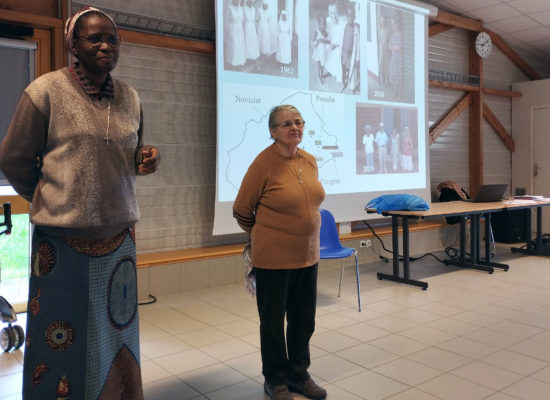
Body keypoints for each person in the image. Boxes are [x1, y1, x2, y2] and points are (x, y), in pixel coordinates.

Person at [0, 7, 160, 399]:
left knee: (116, 330)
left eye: (112, 39)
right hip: (62, 244)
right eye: (94, 38)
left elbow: (133, 152)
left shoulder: (131, 96)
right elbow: (13, 160)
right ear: (73, 44)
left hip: (119, 240)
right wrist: (51, 197)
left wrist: (146, 159)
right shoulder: (44, 92)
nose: (105, 45)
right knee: (61, 336)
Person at [233, 105, 327, 400]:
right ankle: (275, 379)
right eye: (286, 123)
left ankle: (299, 375)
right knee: (273, 323)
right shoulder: (263, 164)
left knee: (303, 320)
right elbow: (242, 210)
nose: (294, 127)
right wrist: (265, 236)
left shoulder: (309, 161)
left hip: (307, 255)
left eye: (298, 122)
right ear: (273, 131)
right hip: (273, 258)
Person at [324, 3, 345, 84]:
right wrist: (329, 44)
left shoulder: (342, 23)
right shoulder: (326, 21)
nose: (333, 15)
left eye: (334, 12)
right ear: (328, 13)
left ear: (338, 12)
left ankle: (338, 74)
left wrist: (338, 45)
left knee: (339, 56)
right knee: (327, 55)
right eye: (331, 13)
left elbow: (344, 38)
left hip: (340, 47)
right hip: (329, 46)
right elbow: (323, 35)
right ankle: (331, 71)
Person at [341, 5, 360, 93]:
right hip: (345, 52)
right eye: (348, 17)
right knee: (344, 68)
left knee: (353, 70)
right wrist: (343, 51)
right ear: (346, 17)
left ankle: (353, 88)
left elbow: (358, 44)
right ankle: (344, 83)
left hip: (353, 53)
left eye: (352, 17)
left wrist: (357, 57)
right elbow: (343, 39)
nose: (350, 19)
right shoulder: (345, 26)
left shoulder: (357, 28)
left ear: (354, 17)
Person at [311, 14, 330, 85]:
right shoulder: (317, 31)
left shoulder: (325, 33)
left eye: (325, 24)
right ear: (319, 24)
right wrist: (318, 40)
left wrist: (323, 40)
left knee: (322, 65)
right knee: (318, 65)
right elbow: (312, 41)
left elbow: (329, 41)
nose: (324, 26)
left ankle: (321, 75)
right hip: (317, 52)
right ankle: (319, 78)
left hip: (323, 53)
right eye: (323, 24)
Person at [227, 0, 246, 68]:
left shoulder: (241, 8)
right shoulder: (230, 7)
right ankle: (232, 64)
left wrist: (243, 30)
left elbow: (243, 21)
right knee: (234, 45)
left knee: (239, 46)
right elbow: (227, 21)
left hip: (240, 29)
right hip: (233, 29)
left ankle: (237, 63)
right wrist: (229, 31)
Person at [388, 15, 403, 99]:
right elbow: (389, 46)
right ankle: (395, 92)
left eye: (393, 24)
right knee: (394, 75)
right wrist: (394, 47)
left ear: (397, 24)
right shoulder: (392, 35)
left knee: (399, 75)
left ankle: (399, 94)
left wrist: (393, 46)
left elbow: (399, 47)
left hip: (399, 58)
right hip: (393, 57)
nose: (392, 25)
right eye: (392, 24)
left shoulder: (400, 35)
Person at [378, 15, 391, 87]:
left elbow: (389, 40)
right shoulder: (379, 29)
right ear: (380, 21)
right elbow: (379, 40)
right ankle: (380, 77)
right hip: (381, 49)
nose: (383, 22)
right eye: (381, 20)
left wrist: (387, 47)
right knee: (380, 63)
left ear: (385, 21)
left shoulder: (388, 30)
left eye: (384, 20)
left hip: (386, 49)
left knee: (386, 64)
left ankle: (387, 80)